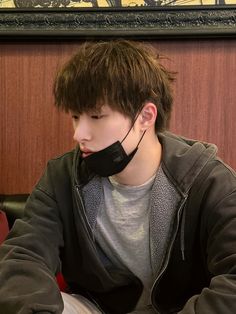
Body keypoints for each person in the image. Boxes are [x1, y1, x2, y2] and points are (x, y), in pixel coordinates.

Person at [0, 40, 236, 314]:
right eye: (76, 117)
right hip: (96, 308)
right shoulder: (63, 176)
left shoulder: (209, 182)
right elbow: (23, 257)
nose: (79, 134)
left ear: (145, 116)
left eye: (96, 116)